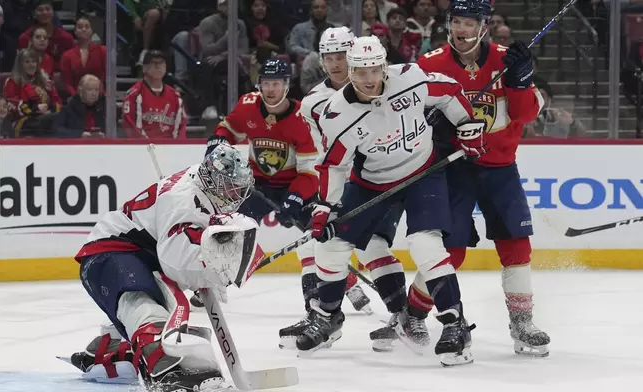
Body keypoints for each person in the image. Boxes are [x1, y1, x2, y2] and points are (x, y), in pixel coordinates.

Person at [297, 35, 485, 367]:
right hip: (371, 182)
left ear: (385, 66)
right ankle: (327, 316)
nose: (369, 80)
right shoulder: (336, 113)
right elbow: (334, 165)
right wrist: (326, 205)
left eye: (374, 70)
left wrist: (467, 125)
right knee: (330, 246)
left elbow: (451, 94)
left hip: (424, 172)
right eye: (360, 72)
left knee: (425, 244)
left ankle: (455, 325)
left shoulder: (410, 78)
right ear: (350, 72)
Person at [414, 0, 550, 357]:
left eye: (469, 23)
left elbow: (525, 115)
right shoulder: (429, 64)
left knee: (516, 245)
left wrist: (520, 80)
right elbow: (411, 119)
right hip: (453, 169)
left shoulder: (507, 60)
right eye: (457, 21)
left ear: (483, 27)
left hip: (500, 166)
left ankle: (522, 323)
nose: (462, 29)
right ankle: (413, 314)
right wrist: (435, 127)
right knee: (449, 252)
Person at [69, 144, 259, 391]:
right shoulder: (183, 201)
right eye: (230, 186)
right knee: (145, 308)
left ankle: (112, 349)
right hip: (109, 251)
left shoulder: (204, 183)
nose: (235, 194)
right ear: (213, 179)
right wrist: (212, 271)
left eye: (239, 188)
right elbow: (174, 262)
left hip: (142, 252)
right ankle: (166, 371)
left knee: (167, 307)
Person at [202, 58, 327, 349]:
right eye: (266, 84)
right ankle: (213, 280)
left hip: (296, 183)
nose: (271, 89)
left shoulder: (302, 117)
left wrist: (295, 199)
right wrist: (218, 140)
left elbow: (311, 171)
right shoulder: (247, 105)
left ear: (287, 85)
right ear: (259, 86)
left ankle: (336, 292)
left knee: (319, 237)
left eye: (277, 83)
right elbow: (228, 129)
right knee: (228, 227)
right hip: (256, 184)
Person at [121, 51, 187, 139]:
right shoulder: (134, 95)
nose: (158, 66)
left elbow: (181, 128)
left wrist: (174, 147)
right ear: (144, 68)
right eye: (153, 63)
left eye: (161, 63)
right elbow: (130, 126)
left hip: (170, 149)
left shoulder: (175, 96)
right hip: (142, 149)